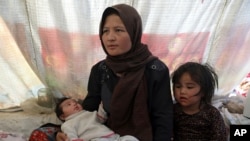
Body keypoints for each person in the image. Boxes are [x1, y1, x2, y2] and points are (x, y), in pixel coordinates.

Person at [56, 3, 173, 141]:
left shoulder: (156, 70)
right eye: (105, 31)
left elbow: (163, 115)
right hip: (103, 136)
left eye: (118, 30)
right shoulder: (99, 70)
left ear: (134, 32)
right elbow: (89, 110)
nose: (110, 37)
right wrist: (64, 132)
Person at [171, 62, 228, 141]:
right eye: (178, 86)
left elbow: (220, 137)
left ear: (203, 91)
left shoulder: (212, 114)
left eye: (189, 87)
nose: (182, 91)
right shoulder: (172, 111)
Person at [55, 97, 139, 141]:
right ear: (62, 116)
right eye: (68, 104)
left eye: (75, 102)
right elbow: (70, 136)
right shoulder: (67, 124)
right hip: (95, 139)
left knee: (129, 138)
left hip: (113, 137)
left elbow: (101, 119)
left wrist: (102, 105)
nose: (74, 104)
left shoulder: (88, 113)